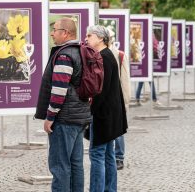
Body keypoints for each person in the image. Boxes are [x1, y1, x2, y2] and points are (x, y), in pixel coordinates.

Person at [35, 17, 91, 192]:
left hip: (64, 119)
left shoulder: (65, 55)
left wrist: (50, 116)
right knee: (76, 165)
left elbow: (59, 89)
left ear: (65, 33)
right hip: (79, 117)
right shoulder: (81, 51)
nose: (52, 33)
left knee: (60, 167)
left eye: (55, 29)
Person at [85, 25, 127, 192]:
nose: (87, 38)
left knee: (97, 155)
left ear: (101, 38)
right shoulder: (107, 56)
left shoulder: (102, 57)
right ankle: (110, 189)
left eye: (90, 35)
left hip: (103, 116)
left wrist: (90, 112)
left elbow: (100, 91)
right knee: (108, 155)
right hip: (110, 115)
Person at [110, 46, 131, 171]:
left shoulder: (120, 55)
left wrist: (126, 102)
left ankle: (119, 157)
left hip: (117, 97)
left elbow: (125, 80)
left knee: (118, 129)